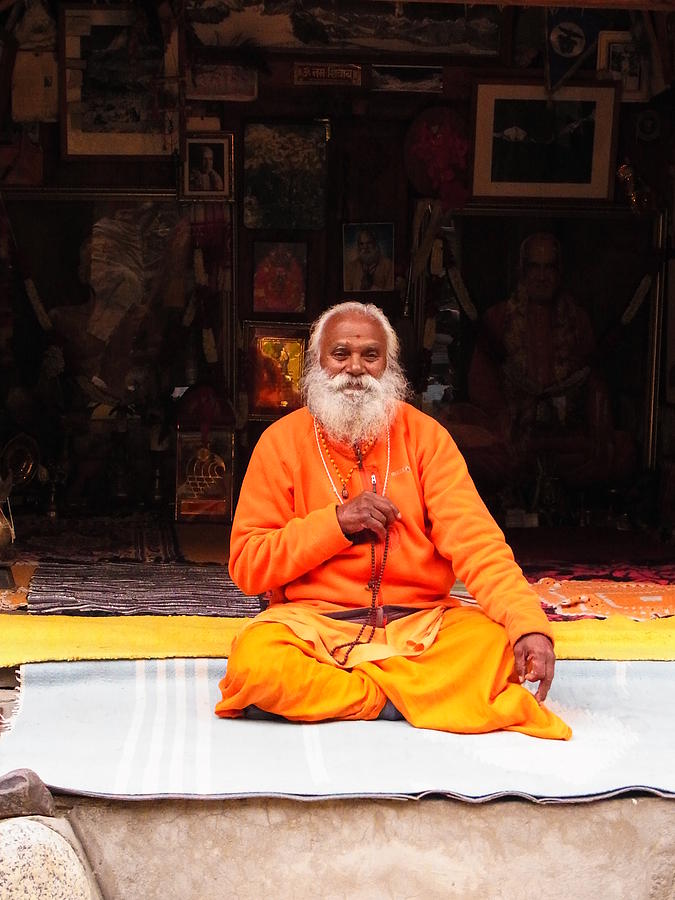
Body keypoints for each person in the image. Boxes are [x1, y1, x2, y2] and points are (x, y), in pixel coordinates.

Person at [215, 300, 571, 740]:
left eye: (370, 356)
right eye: (340, 354)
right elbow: (249, 565)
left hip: (419, 624)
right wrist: (337, 524)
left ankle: (351, 697)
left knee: (496, 648)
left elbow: (478, 544)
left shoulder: (426, 439)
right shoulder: (280, 443)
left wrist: (528, 625)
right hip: (315, 626)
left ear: (389, 366)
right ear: (317, 364)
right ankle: (404, 697)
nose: (355, 369)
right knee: (257, 663)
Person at [440, 232, 635, 491]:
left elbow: (593, 381)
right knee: (462, 451)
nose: (542, 276)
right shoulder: (498, 318)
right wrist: (508, 420)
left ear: (559, 272)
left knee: (623, 451)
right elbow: (482, 386)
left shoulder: (577, 319)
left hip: (566, 439)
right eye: (535, 267)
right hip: (512, 437)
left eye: (549, 267)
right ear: (523, 270)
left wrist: (599, 425)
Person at [343, 228, 394, 292]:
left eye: (369, 243)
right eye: (362, 244)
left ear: (375, 243)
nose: (365, 247)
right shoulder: (350, 267)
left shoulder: (388, 265)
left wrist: (372, 287)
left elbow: (390, 294)